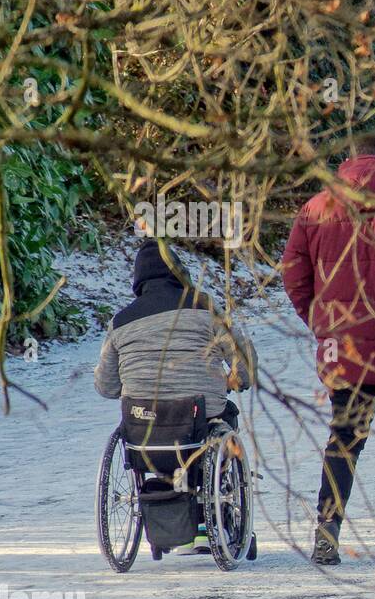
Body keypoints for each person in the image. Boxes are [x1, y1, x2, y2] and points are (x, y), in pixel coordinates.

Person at [282, 133, 375, 566]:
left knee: (344, 438)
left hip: (343, 349)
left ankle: (327, 532)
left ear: (348, 160)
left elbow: (293, 272)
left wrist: (320, 320)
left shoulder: (316, 208)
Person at [94, 237, 257, 554]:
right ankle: (217, 515)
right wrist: (237, 380)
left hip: (144, 430)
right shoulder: (204, 307)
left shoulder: (121, 323)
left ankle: (168, 513)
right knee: (226, 416)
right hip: (199, 421)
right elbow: (242, 358)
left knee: (162, 432)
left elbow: (106, 387)